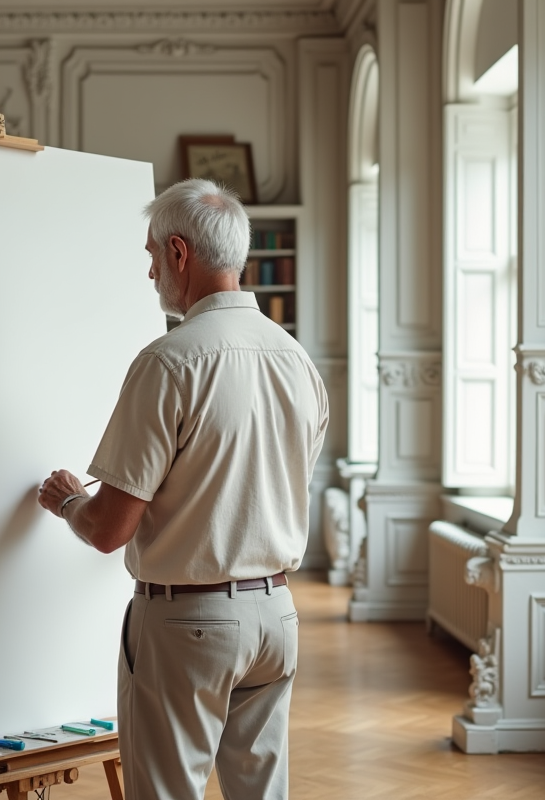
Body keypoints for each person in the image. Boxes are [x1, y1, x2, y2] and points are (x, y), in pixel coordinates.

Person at [36, 178, 328, 800]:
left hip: (188, 624)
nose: (149, 275)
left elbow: (109, 530)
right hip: (276, 615)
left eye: (149, 257)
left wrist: (67, 501)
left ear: (178, 252)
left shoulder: (169, 362)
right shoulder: (297, 361)